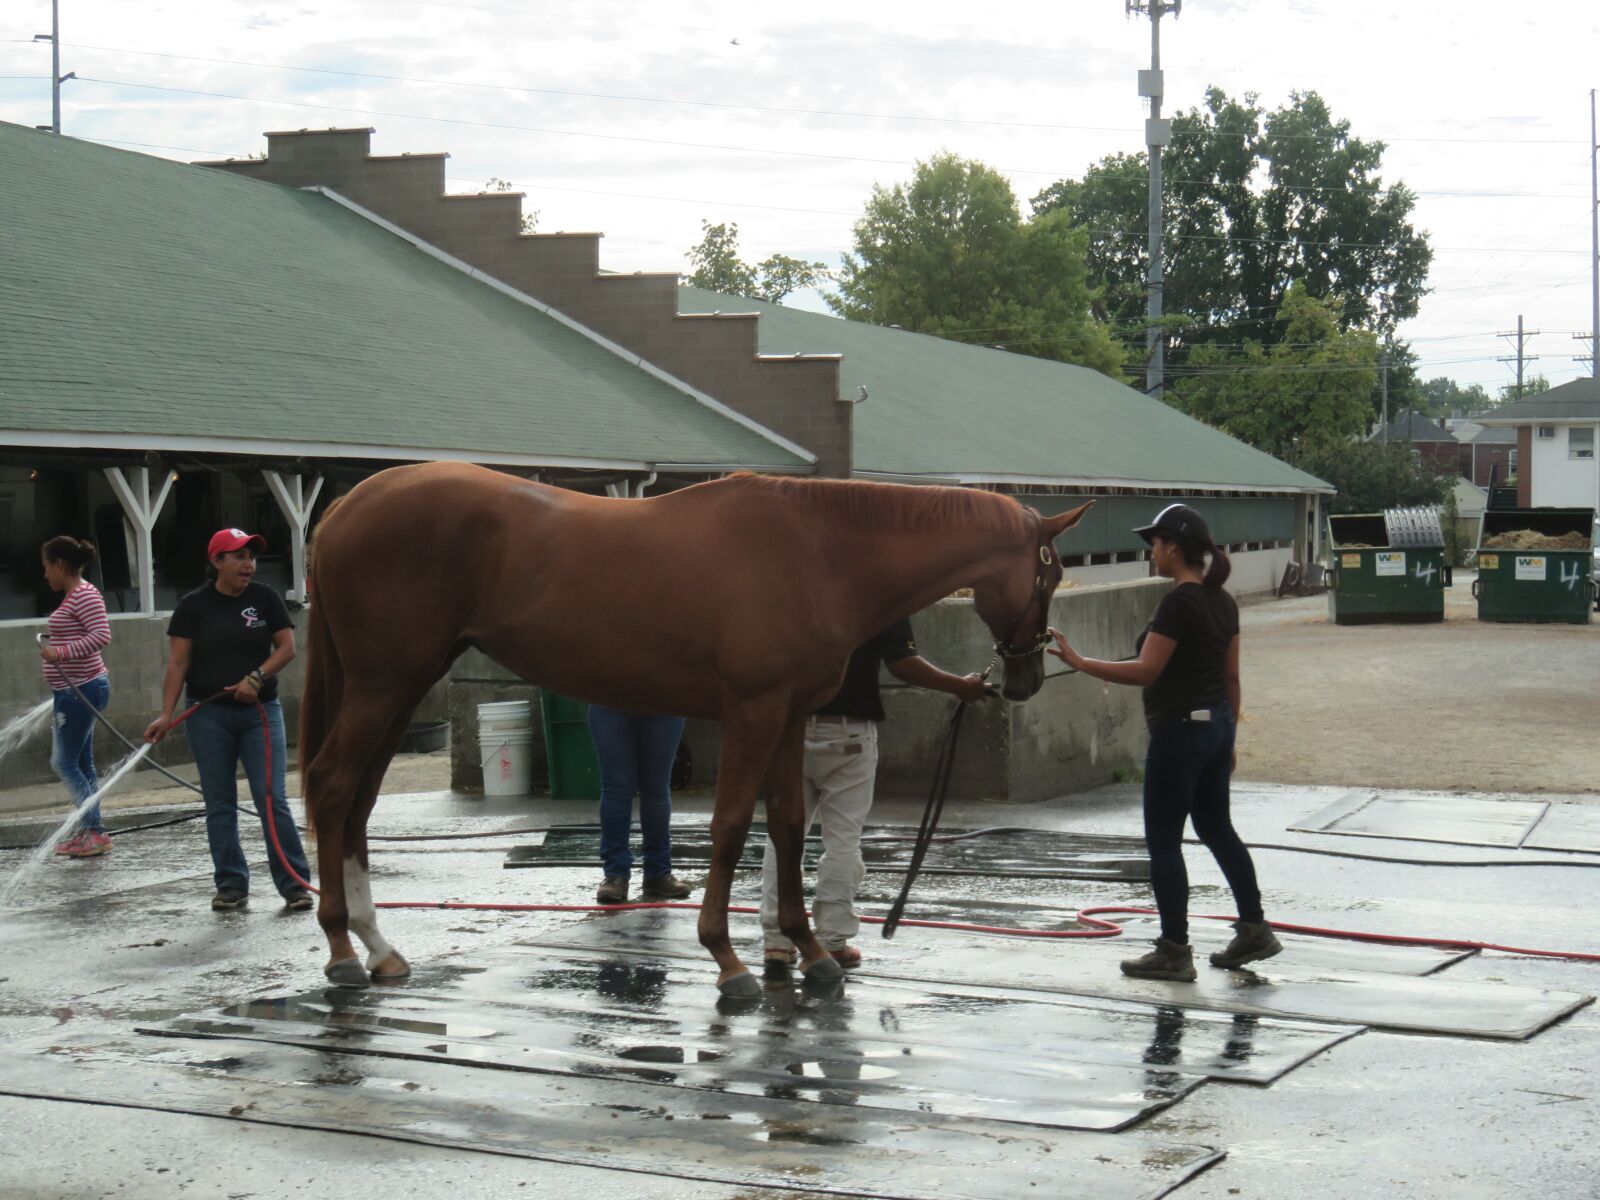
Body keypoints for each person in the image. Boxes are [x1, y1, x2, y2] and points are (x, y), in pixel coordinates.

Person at [1048, 503, 1280, 981]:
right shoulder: (1223, 601)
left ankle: (1174, 950)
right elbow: (1231, 676)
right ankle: (1255, 929)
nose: (1151, 550)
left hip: (1180, 732)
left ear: (1173, 547)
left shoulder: (1180, 602)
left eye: (1154, 542)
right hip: (1213, 727)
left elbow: (1147, 670)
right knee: (1218, 830)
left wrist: (1080, 661)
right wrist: (1228, 735)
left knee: (1164, 842)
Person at [760, 619, 988, 970]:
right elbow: (903, 664)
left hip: (789, 725)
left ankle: (776, 942)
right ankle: (832, 940)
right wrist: (961, 686)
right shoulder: (879, 588)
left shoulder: (794, 580)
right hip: (849, 732)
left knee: (782, 839)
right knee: (843, 842)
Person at [143, 528, 314, 913]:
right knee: (220, 802)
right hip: (208, 714)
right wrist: (167, 715)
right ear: (216, 561)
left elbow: (286, 648)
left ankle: (294, 883)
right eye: (238, 556)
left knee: (271, 797)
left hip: (260, 714)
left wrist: (256, 678)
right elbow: (179, 662)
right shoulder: (193, 606)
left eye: (251, 557)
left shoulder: (265, 599)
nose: (248, 565)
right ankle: (231, 884)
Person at [39, 536, 113, 859]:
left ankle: (94, 832)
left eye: (47, 568)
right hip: (74, 690)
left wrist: (59, 652)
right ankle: (90, 831)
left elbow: (101, 635)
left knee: (64, 761)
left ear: (59, 565)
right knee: (82, 762)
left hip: (81, 689)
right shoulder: (75, 596)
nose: (45, 575)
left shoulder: (84, 594)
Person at [589, 705, 694, 904]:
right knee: (617, 788)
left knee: (655, 789)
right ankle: (615, 874)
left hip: (664, 701)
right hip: (609, 699)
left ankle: (658, 873)